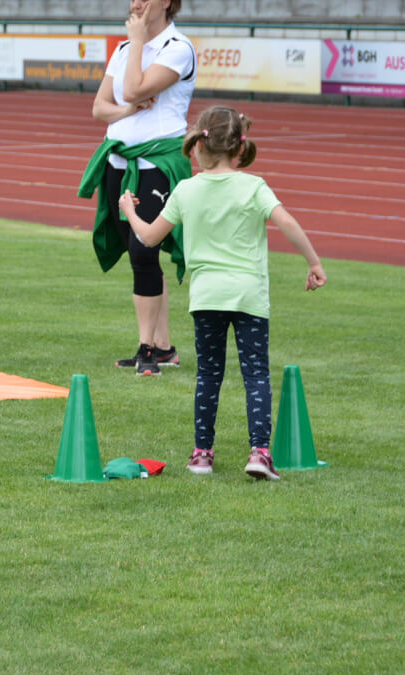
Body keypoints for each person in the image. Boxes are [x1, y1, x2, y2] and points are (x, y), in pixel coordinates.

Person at [119, 105, 327, 481]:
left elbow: (148, 236)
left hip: (207, 297)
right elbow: (287, 222)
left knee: (209, 377)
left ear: (199, 145)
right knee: (256, 376)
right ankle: (259, 453)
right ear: (238, 148)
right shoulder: (253, 186)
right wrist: (313, 262)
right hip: (249, 296)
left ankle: (202, 455)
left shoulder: (186, 189)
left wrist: (128, 211)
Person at [78, 0, 197, 376]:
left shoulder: (177, 49)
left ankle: (147, 347)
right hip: (119, 159)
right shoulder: (126, 48)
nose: (136, 3)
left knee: (143, 249)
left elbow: (131, 88)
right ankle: (163, 347)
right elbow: (101, 108)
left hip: (156, 161)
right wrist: (128, 111)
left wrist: (137, 39)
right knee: (139, 254)